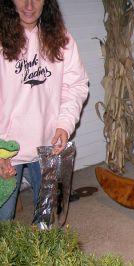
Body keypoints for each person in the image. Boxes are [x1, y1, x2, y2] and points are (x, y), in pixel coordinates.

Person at [0, 0, 89, 220]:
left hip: (49, 145)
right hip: (6, 148)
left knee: (48, 221)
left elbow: (75, 85)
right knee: (4, 223)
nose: (29, 5)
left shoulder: (61, 39)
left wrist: (64, 124)